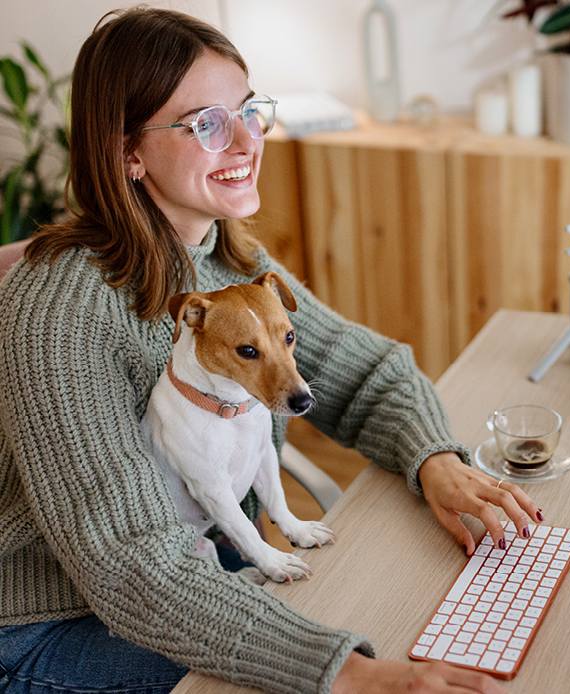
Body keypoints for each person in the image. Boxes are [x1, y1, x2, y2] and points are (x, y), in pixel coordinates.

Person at [0, 7, 542, 694]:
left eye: (249, 112)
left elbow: (368, 373)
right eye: (207, 125)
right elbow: (128, 561)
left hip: (193, 567)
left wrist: (434, 461)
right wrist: (348, 674)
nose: (246, 142)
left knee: (408, 613)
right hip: (51, 625)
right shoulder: (58, 311)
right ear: (126, 153)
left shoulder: (228, 262)